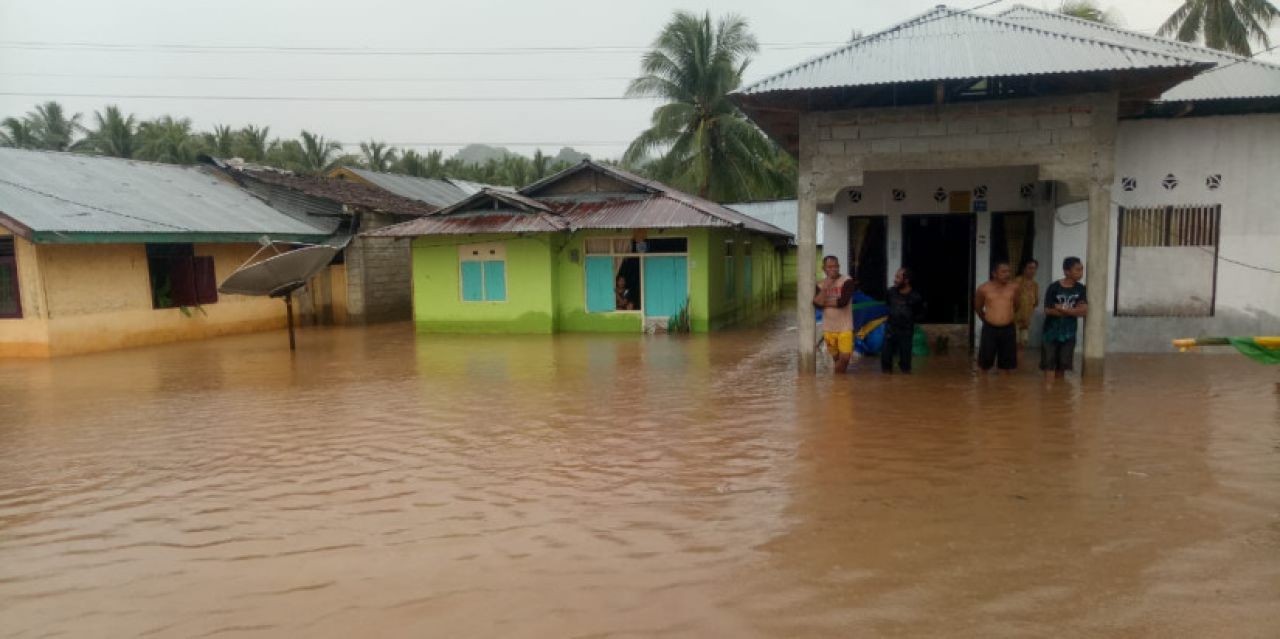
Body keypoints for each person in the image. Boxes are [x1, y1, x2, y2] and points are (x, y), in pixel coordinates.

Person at [1041, 256, 1088, 380]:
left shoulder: (1081, 289)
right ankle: (1049, 393)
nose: (1081, 273)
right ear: (1067, 271)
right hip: (1050, 334)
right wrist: (1073, 310)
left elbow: (1083, 311)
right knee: (1049, 366)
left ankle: (1058, 397)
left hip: (1069, 334)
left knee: (1062, 367)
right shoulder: (1054, 287)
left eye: (1082, 269)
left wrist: (1062, 308)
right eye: (1077, 270)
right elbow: (1048, 310)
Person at [813, 256, 857, 374]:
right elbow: (817, 305)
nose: (834, 269)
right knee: (837, 359)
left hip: (845, 327)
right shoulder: (820, 284)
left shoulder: (847, 281)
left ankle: (836, 380)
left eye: (836, 266)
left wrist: (824, 302)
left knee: (845, 358)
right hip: (828, 328)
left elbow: (843, 302)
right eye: (830, 267)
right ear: (824, 269)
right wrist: (826, 287)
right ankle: (839, 386)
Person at [974, 261, 1019, 372]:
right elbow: (978, 308)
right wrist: (988, 320)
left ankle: (1004, 388)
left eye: (1009, 271)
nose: (1007, 274)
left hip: (1008, 328)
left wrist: (1006, 317)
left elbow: (1017, 306)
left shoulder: (1014, 288)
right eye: (1003, 272)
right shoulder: (983, 288)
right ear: (994, 274)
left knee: (1007, 367)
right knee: (984, 365)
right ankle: (983, 388)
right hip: (990, 329)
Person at [882, 267, 925, 374]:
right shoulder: (890, 292)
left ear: (906, 280)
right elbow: (887, 305)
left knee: (906, 367)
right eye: (895, 276)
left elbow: (920, 313)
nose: (895, 279)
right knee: (886, 364)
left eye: (898, 277)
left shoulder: (915, 297)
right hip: (890, 331)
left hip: (906, 332)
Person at [1012, 259, 1039, 348]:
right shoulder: (1016, 282)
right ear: (1024, 269)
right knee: (1013, 345)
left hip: (1026, 322)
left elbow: (1035, 303)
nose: (1032, 271)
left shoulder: (1035, 285)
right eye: (1030, 268)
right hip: (1013, 321)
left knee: (1022, 345)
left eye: (1035, 268)